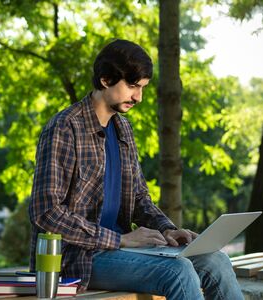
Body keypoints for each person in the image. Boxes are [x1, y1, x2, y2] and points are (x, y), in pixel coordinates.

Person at [29, 39, 244, 299]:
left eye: (142, 87)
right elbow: (46, 213)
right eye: (132, 86)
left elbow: (140, 198)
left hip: (123, 251)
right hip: (77, 259)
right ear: (106, 79)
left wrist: (167, 229)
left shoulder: (123, 130)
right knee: (178, 271)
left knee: (216, 261)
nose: (138, 97)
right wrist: (119, 240)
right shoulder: (64, 128)